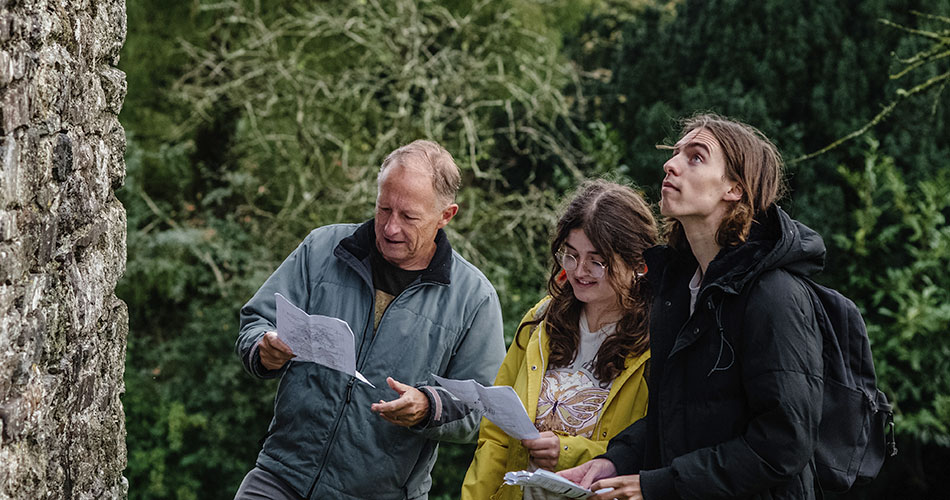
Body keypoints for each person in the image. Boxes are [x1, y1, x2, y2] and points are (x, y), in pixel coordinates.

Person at [561, 114, 826, 500]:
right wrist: (616, 460)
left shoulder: (774, 297)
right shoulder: (677, 290)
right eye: (675, 153)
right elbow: (674, 417)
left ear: (735, 188)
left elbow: (783, 444)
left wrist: (661, 485)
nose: (670, 164)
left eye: (696, 156)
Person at [233, 140, 506, 500]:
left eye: (408, 217)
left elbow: (483, 408)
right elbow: (256, 321)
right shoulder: (321, 248)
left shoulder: (475, 299)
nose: (391, 228)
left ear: (446, 216)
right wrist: (264, 348)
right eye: (383, 210)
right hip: (280, 478)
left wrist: (428, 406)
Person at [462, 180, 658, 500]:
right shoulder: (541, 319)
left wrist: (567, 451)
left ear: (637, 263)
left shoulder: (658, 341)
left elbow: (653, 450)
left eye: (597, 261)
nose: (579, 271)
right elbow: (495, 437)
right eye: (571, 254)